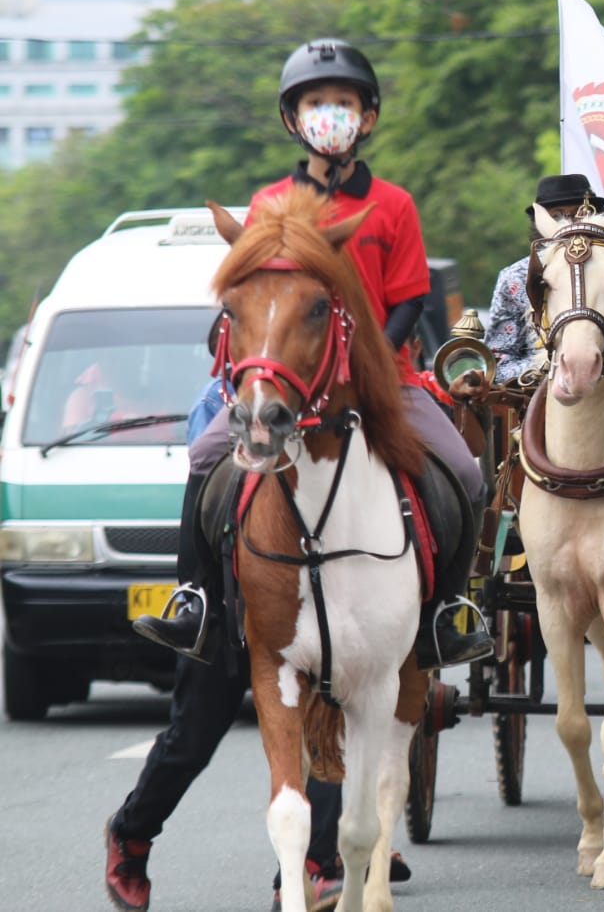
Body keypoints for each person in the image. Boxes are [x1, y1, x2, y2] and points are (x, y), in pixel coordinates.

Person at [134, 37, 492, 671]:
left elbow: (410, 299)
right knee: (205, 454)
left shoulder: (395, 205)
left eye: (344, 102)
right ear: (293, 120)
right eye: (316, 103)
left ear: (368, 117)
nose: (331, 113)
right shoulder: (270, 205)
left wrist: (371, 361)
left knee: (464, 471)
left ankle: (446, 612)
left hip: (383, 378)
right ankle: (198, 600)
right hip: (290, 385)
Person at [106, 320, 364, 912]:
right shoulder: (256, 274)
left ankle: (305, 870)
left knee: (322, 726)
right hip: (254, 401)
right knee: (192, 740)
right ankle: (195, 600)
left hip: (324, 399)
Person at [479, 173, 604, 385]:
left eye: (577, 214)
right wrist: (549, 368)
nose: (569, 224)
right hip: (533, 391)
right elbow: (498, 361)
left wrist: (600, 364)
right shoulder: (513, 277)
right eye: (557, 216)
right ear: (540, 223)